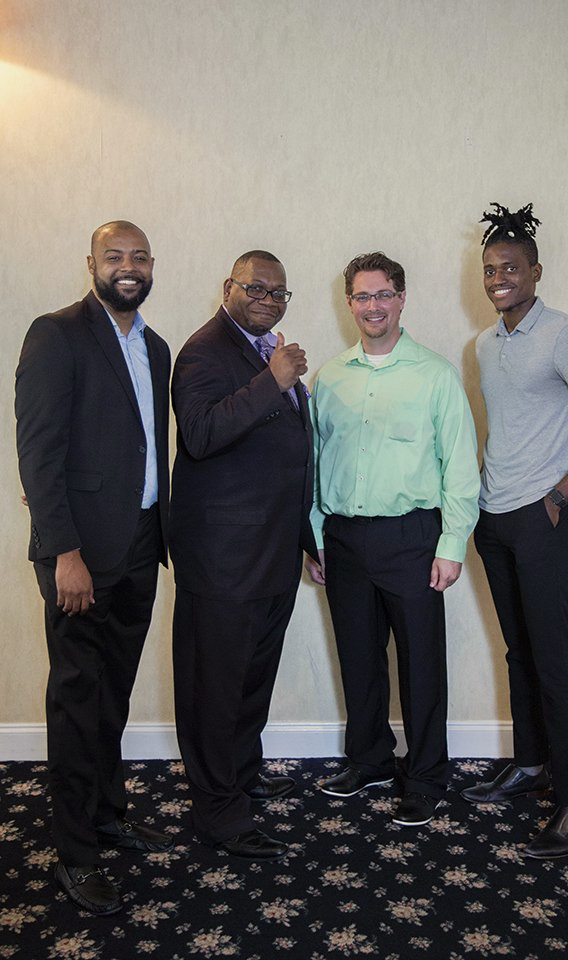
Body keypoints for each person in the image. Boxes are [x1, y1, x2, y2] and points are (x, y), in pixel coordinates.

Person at [461, 203, 568, 858]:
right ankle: (530, 765)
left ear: (535, 271)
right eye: (490, 269)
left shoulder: (566, 335)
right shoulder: (482, 344)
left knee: (552, 652)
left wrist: (560, 494)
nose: (499, 277)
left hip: (543, 515)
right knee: (518, 648)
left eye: (511, 267)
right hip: (493, 516)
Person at [15, 221, 173, 915]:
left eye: (139, 257)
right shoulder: (56, 334)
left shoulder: (157, 346)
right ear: (92, 264)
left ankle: (108, 814)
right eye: (116, 256)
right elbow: (39, 454)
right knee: (77, 707)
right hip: (81, 555)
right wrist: (63, 553)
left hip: (141, 544)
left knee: (113, 695)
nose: (128, 267)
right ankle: (75, 854)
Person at [306, 252, 480, 827]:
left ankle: (426, 775)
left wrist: (452, 543)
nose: (372, 306)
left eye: (383, 295)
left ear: (401, 299)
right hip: (344, 539)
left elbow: (459, 466)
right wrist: (315, 537)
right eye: (361, 296)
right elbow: (311, 464)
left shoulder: (434, 375)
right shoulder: (329, 379)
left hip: (413, 538)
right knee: (358, 658)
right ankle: (371, 760)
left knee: (421, 663)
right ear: (348, 302)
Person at [170, 250, 317, 860]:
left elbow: (288, 455)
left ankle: (241, 775)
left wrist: (307, 538)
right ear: (227, 286)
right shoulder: (203, 351)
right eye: (256, 288)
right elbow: (201, 434)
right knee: (215, 686)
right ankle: (219, 815)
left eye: (279, 293)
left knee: (252, 677)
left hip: (273, 551)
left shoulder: (264, 353)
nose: (267, 299)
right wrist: (273, 380)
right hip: (224, 560)